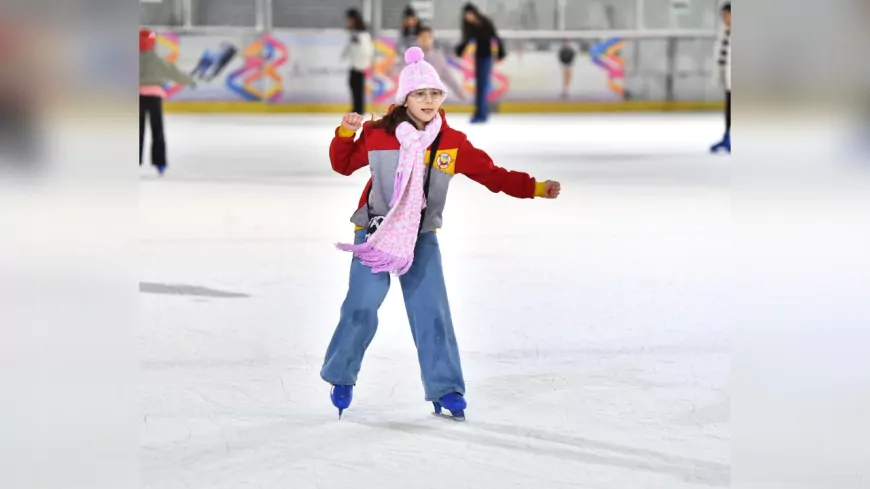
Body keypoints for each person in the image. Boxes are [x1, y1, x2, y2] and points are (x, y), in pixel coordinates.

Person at [321, 47, 561, 421]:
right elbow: (343, 164)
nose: (429, 101)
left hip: (420, 235)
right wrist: (345, 133)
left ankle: (446, 389)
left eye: (434, 94)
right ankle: (341, 376)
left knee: (431, 310)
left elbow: (493, 175)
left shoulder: (451, 143)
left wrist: (534, 187)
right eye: (420, 94)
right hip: (375, 232)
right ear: (405, 99)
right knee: (361, 305)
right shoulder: (378, 134)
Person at [139, 28, 195, 175]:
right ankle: (159, 162)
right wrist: (189, 80)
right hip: (154, 97)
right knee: (157, 129)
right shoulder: (160, 61)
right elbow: (175, 74)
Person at [455, 3, 505, 123]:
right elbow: (467, 40)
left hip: (486, 57)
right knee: (480, 86)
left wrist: (500, 53)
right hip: (478, 57)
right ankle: (480, 113)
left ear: (474, 13)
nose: (467, 17)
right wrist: (459, 50)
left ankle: (481, 114)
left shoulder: (485, 23)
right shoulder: (471, 26)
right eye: (466, 15)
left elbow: (495, 38)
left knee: (482, 86)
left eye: (469, 14)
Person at [416, 26, 468, 102]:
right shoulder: (411, 57)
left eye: (427, 37)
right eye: (422, 37)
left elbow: (449, 78)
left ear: (432, 39)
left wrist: (461, 95)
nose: (425, 40)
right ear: (418, 39)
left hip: (431, 100)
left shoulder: (438, 58)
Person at [343, 8, 374, 116]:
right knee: (353, 85)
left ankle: (359, 109)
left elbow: (367, 50)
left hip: (360, 65)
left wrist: (365, 63)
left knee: (358, 87)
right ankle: (357, 107)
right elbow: (350, 47)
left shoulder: (362, 34)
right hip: (355, 64)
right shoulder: (354, 33)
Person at [710, 2, 731, 153]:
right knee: (729, 109)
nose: (724, 18)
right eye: (723, 15)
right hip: (728, 79)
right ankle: (727, 137)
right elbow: (719, 56)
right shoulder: (723, 31)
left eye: (727, 15)